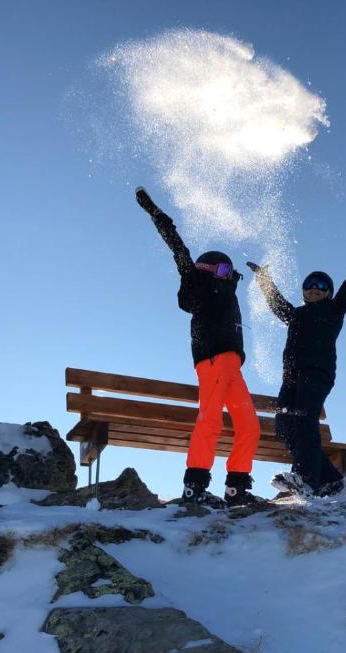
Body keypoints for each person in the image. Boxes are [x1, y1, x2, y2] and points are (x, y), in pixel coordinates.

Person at [247, 228, 346, 496]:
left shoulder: (335, 309)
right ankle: (329, 478)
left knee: (304, 420)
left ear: (329, 291)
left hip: (317, 373)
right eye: (309, 284)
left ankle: (305, 479)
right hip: (291, 376)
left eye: (321, 285)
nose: (314, 288)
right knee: (284, 426)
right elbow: (276, 303)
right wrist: (263, 278)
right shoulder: (295, 315)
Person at [135, 187, 261, 506]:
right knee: (211, 420)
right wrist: (155, 213)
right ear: (207, 270)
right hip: (213, 359)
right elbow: (177, 246)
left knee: (250, 425)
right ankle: (195, 486)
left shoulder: (226, 289)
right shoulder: (199, 284)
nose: (228, 275)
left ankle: (236, 488)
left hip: (232, 364)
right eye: (223, 269)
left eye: (229, 271)